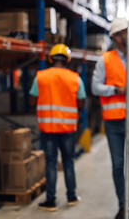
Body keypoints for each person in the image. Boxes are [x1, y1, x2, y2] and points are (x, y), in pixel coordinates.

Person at [91, 17, 129, 219]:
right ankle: (123, 204)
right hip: (114, 121)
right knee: (118, 164)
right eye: (126, 32)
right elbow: (95, 86)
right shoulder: (104, 60)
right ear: (116, 37)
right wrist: (115, 89)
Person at [29, 43, 86, 211]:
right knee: (68, 161)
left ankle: (51, 200)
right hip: (68, 128)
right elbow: (81, 104)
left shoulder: (40, 77)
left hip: (48, 128)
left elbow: (32, 100)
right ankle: (71, 196)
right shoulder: (75, 78)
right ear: (67, 60)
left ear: (50, 59)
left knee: (51, 163)